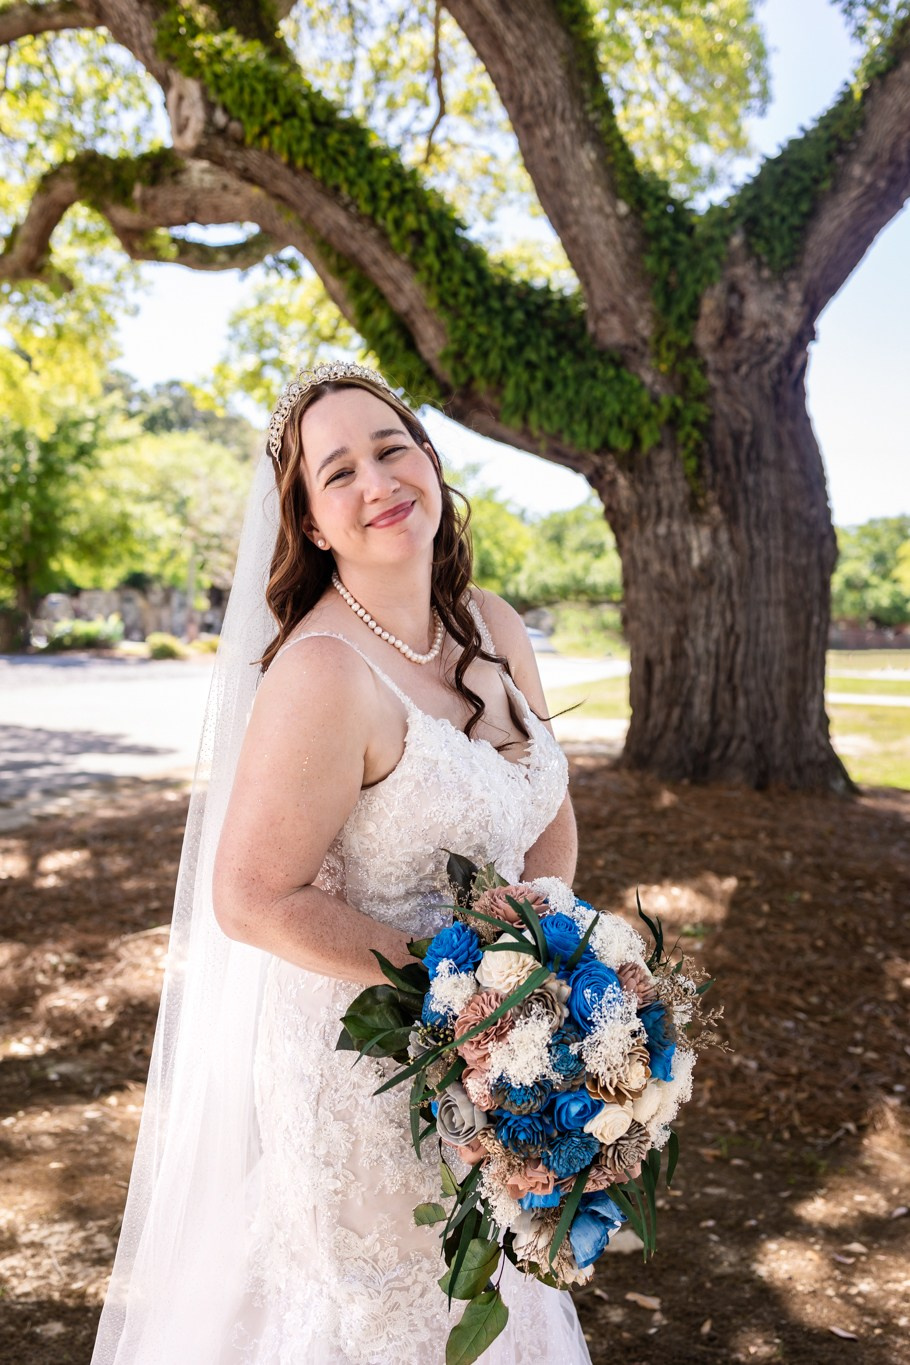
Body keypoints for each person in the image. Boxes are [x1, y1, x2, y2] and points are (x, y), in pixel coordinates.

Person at [90, 361, 593, 1364]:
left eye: (391, 447)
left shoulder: (490, 624)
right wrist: (462, 988)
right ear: (312, 523)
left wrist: (552, 969)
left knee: (497, 1295)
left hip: (507, 1041)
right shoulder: (324, 673)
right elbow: (253, 897)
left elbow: (544, 811)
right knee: (395, 1316)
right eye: (339, 472)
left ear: (431, 461)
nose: (378, 482)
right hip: (366, 1071)